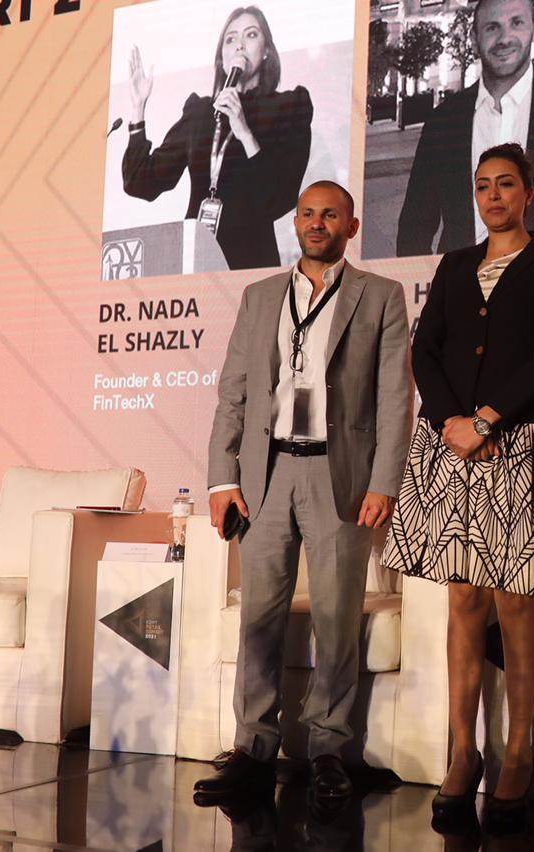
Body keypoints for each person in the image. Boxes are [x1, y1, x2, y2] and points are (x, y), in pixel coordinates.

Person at [382, 142, 534, 834]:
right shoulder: (454, 264)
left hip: (523, 440)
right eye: (482, 186)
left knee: (517, 598)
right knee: (464, 595)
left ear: (530, 191)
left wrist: (488, 419)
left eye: (505, 184)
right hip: (449, 443)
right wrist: (452, 421)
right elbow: (426, 349)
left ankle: (520, 751)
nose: (493, 196)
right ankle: (463, 751)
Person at [196, 180, 411, 805]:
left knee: (337, 616)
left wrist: (384, 481)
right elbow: (233, 392)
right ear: (295, 222)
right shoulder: (260, 295)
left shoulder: (380, 295)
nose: (318, 223)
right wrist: (222, 477)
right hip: (265, 475)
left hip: (338, 474)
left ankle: (327, 750)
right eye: (308, 214)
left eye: (331, 215)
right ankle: (253, 747)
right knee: (259, 617)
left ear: (351, 226)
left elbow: (395, 398)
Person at [395, 0, 534, 257]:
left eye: (516, 23)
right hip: (466, 277)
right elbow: (414, 228)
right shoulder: (443, 121)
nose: (504, 38)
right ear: (474, 38)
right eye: (492, 27)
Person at [123, 5, 313, 270]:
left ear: (267, 51)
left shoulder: (289, 107)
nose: (239, 45)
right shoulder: (200, 112)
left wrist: (244, 132)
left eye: (251, 35)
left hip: (251, 264)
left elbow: (279, 198)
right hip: (195, 262)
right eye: (230, 39)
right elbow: (141, 183)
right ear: (222, 58)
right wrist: (138, 108)